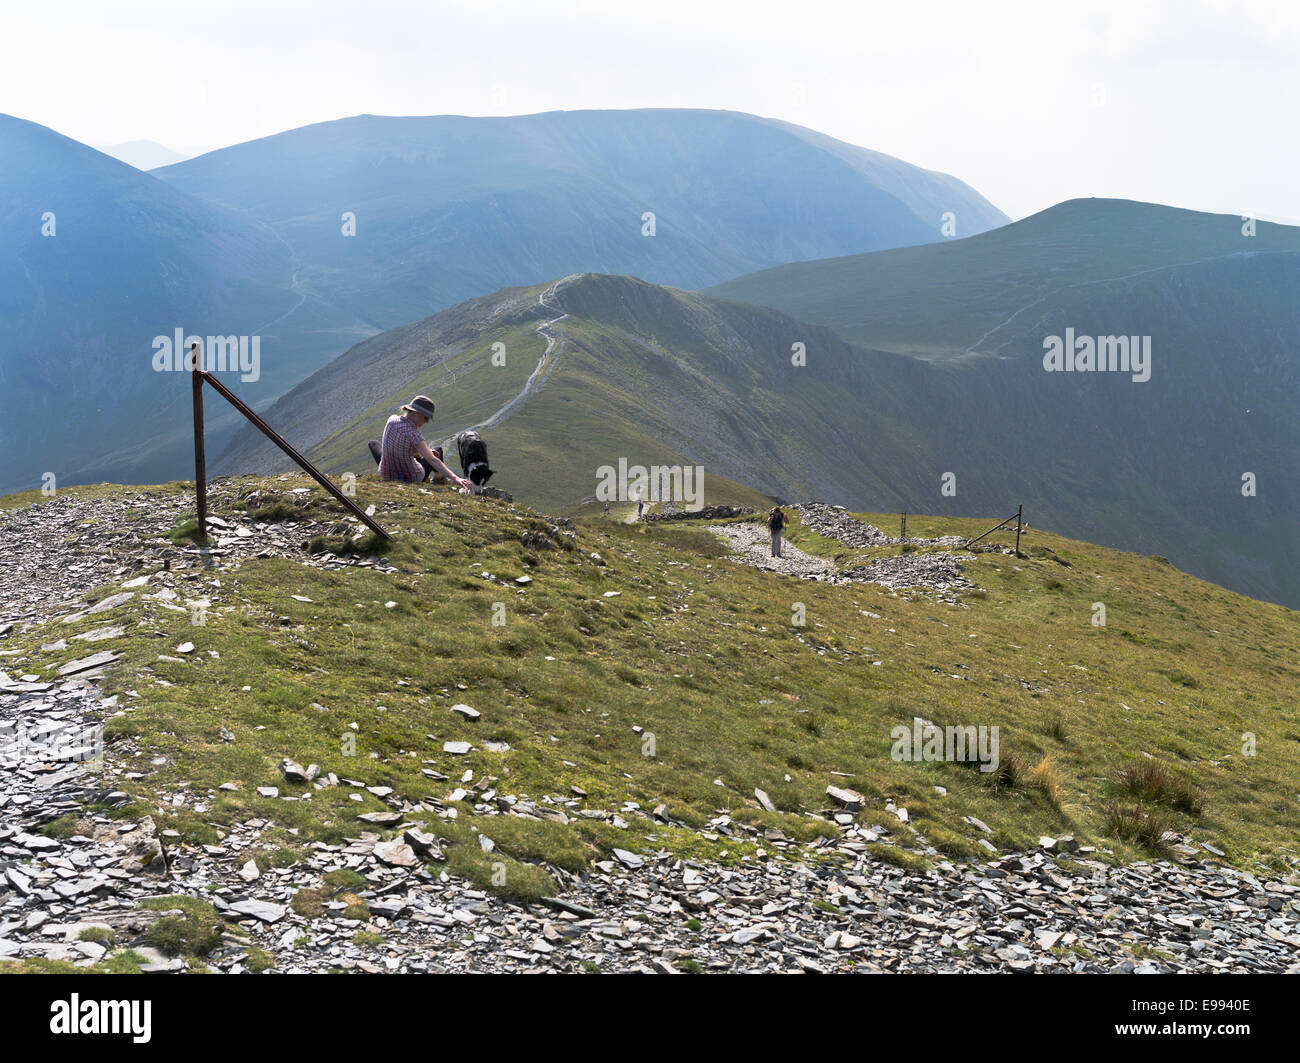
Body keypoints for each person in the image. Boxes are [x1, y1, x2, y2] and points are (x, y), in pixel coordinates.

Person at [368, 395, 472, 488]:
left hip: (386, 474)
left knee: (373, 443)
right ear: (417, 413)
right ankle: (440, 480)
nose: (426, 422)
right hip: (410, 478)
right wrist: (455, 478)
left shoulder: (392, 420)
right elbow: (433, 460)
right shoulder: (414, 434)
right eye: (426, 418)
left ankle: (438, 477)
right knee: (438, 451)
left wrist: (424, 451)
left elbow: (402, 443)